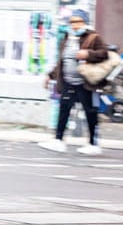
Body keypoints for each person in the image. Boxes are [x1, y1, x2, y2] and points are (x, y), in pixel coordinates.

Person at [40, 9, 110, 155]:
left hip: (85, 82)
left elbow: (104, 53)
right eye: (72, 22)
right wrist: (51, 75)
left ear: (85, 22)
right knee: (64, 109)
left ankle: (92, 143)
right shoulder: (67, 37)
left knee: (90, 111)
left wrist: (88, 54)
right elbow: (62, 60)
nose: (75, 25)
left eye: (79, 22)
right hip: (68, 81)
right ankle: (58, 140)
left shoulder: (93, 37)